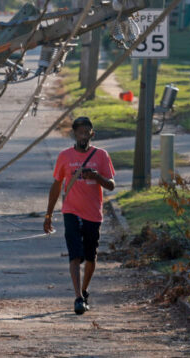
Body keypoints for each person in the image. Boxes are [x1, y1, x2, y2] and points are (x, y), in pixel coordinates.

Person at [43, 116, 115, 315]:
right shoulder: (65, 156)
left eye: (87, 132)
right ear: (74, 134)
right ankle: (77, 297)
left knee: (90, 257)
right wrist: (48, 214)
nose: (83, 135)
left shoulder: (101, 156)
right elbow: (56, 185)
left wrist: (96, 176)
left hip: (93, 213)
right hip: (71, 211)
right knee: (75, 255)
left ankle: (84, 290)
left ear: (92, 133)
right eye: (80, 132)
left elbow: (111, 185)